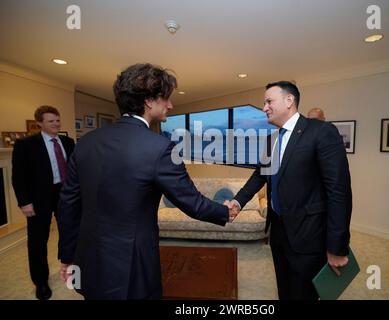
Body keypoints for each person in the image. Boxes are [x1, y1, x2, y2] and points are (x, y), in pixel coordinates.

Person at [57, 63, 237, 300]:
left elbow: (68, 204)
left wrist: (67, 256)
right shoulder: (160, 148)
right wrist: (224, 211)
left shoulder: (86, 143)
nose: (170, 105)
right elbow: (190, 201)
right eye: (166, 99)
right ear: (149, 101)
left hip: (89, 257)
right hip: (131, 263)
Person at [229, 81, 352, 300]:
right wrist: (238, 201)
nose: (264, 107)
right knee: (284, 291)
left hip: (308, 235)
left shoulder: (321, 132)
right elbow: (260, 175)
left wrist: (337, 246)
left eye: (269, 101)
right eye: (264, 102)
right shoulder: (272, 139)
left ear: (289, 101)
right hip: (278, 232)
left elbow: (339, 192)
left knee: (303, 295)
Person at [12, 105, 75, 300]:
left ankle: (73, 272)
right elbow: (18, 176)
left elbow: (75, 169)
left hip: (66, 194)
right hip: (39, 199)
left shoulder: (68, 141)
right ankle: (41, 282)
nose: (56, 124)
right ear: (39, 123)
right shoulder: (25, 145)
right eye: (51, 121)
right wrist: (24, 202)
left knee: (71, 235)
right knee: (38, 241)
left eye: (57, 120)